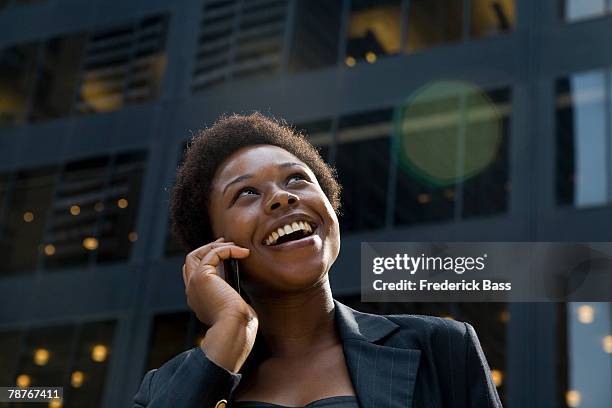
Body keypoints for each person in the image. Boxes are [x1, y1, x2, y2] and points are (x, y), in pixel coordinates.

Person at [133, 113, 503, 408]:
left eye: (296, 179)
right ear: (215, 245)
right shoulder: (164, 389)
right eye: (246, 193)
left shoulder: (441, 348)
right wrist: (232, 326)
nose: (282, 198)